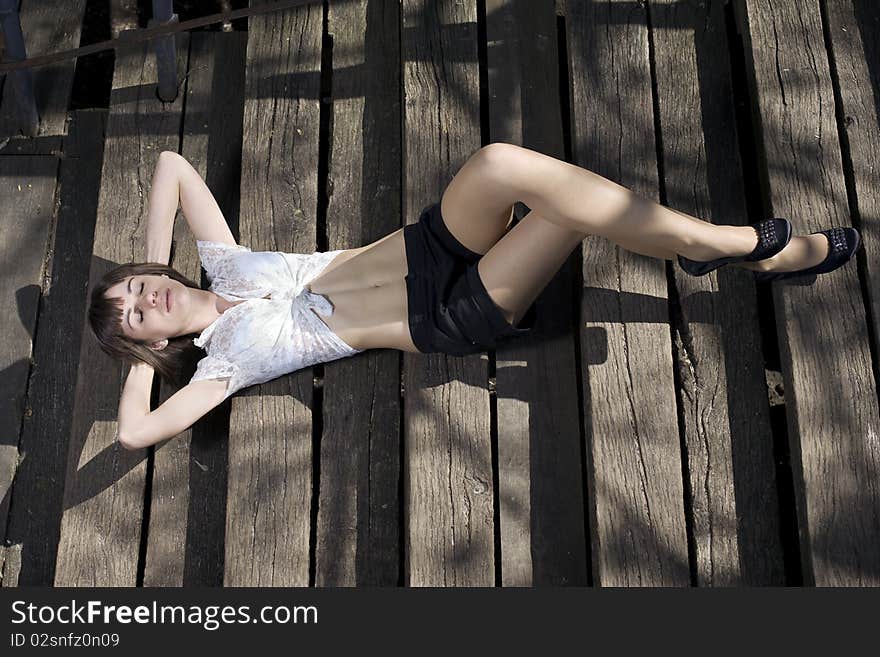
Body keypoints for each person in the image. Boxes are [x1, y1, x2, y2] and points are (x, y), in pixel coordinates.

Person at [88, 145, 861, 451]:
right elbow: (132, 434)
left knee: (496, 163)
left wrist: (147, 267)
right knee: (563, 214)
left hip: (431, 247)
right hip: (447, 313)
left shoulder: (222, 263)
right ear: (151, 344)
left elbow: (168, 167)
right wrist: (140, 352)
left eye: (134, 287)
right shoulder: (216, 367)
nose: (144, 295)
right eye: (137, 310)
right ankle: (731, 246)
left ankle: (712, 246)